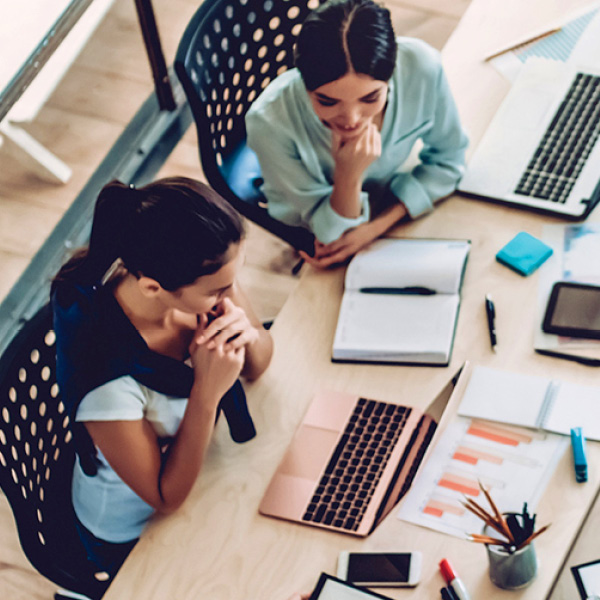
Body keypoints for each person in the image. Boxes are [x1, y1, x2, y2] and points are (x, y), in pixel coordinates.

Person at [51, 177, 273, 588]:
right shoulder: (108, 379)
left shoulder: (202, 279)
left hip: (202, 465)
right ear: (153, 287)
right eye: (221, 290)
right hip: (135, 527)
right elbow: (163, 497)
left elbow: (258, 365)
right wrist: (206, 392)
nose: (231, 294)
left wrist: (247, 333)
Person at [246, 0, 468, 268]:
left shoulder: (422, 67)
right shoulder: (268, 122)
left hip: (381, 205)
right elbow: (333, 236)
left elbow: (450, 160)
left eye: (371, 97)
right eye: (327, 102)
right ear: (304, 83)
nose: (351, 120)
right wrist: (348, 175)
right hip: (315, 216)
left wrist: (375, 227)